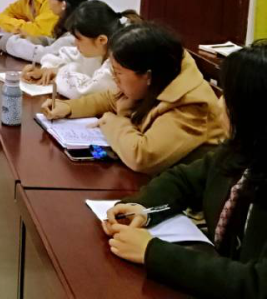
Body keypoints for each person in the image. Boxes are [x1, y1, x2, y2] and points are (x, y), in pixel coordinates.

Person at [102, 42, 267, 298]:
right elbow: (184, 180)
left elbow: (256, 284)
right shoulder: (241, 149)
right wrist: (142, 208)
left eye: (228, 97)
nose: (219, 103)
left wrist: (153, 252)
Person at [43, 23, 226, 174]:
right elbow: (112, 98)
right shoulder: (158, 75)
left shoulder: (191, 105)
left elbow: (142, 157)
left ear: (147, 75)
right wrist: (68, 107)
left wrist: (113, 122)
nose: (114, 78)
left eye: (118, 73)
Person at [24, 0, 134, 100]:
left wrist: (58, 72)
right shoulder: (97, 49)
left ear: (101, 40)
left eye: (79, 39)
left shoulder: (118, 65)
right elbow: (65, 55)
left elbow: (86, 91)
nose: (75, 44)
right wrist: (45, 70)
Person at [0, 0, 90, 62]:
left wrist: (8, 42)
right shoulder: (69, 24)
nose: (48, 0)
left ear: (63, 4)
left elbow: (45, 55)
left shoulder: (76, 35)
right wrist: (29, 39)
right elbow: (53, 42)